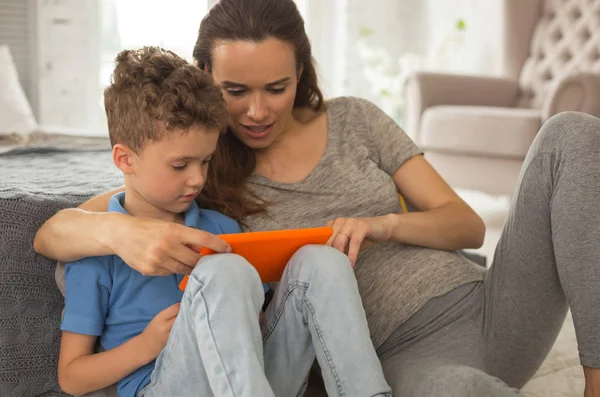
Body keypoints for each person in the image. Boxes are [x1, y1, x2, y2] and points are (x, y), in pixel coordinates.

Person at [34, 0, 600, 396]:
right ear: (206, 78)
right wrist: (123, 234)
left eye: (276, 88)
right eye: (235, 91)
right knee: (458, 390)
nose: (257, 111)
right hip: (397, 356)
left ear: (300, 72)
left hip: (489, 307)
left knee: (570, 132)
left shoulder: (356, 119)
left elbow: (469, 226)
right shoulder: (200, 175)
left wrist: (384, 224)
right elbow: (54, 231)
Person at [55, 46, 391, 397]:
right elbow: (72, 377)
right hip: (162, 385)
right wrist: (146, 345)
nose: (197, 180)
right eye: (180, 165)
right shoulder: (97, 251)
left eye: (205, 161)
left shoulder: (221, 227)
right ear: (125, 159)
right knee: (223, 270)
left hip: (252, 378)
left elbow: (254, 332)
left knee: (323, 261)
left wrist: (243, 313)